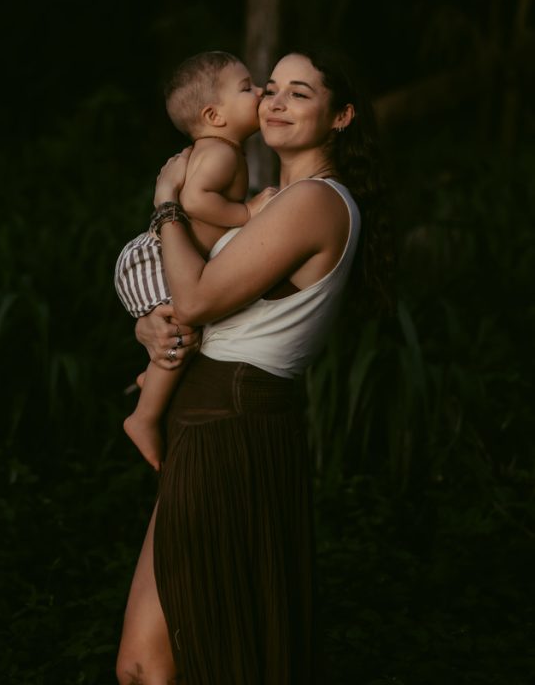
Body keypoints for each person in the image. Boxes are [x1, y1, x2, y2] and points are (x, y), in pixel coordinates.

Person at [116, 47, 394, 685]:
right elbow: (194, 301)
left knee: (189, 658)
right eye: (272, 87)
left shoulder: (315, 203)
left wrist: (165, 203)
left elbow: (195, 297)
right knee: (145, 664)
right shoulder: (277, 199)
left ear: (342, 116)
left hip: (232, 418)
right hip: (208, 411)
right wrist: (146, 321)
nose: (277, 101)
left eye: (302, 92)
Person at [115, 51, 265, 471]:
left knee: (180, 337)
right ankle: (143, 418)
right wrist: (249, 213)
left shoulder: (215, 149)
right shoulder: (222, 153)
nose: (260, 92)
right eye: (247, 87)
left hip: (158, 255)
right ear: (214, 115)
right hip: (157, 258)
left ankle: (152, 383)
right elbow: (198, 200)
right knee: (182, 330)